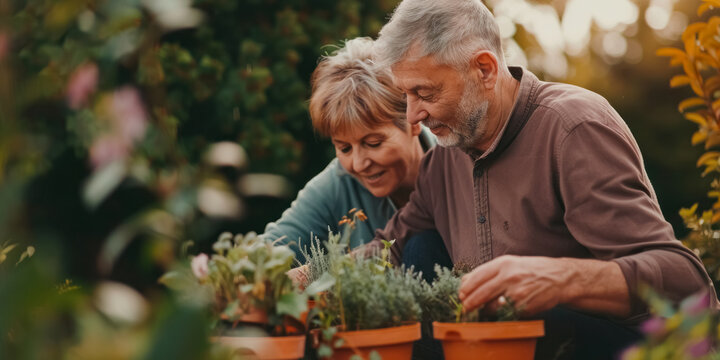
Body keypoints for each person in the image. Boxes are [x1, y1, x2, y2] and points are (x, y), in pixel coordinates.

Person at [363, 0, 719, 358]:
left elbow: (686, 284)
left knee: (542, 318)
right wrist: (310, 282)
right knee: (419, 248)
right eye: (406, 96)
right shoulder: (442, 158)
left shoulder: (574, 128)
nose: (412, 116)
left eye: (425, 94)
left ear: (484, 69)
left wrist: (558, 279)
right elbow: (389, 249)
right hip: (506, 345)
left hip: (616, 345)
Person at [261, 37, 447, 274]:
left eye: (373, 143)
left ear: (413, 122)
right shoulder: (337, 183)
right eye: (344, 148)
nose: (358, 164)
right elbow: (274, 246)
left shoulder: (457, 164)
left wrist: (315, 275)